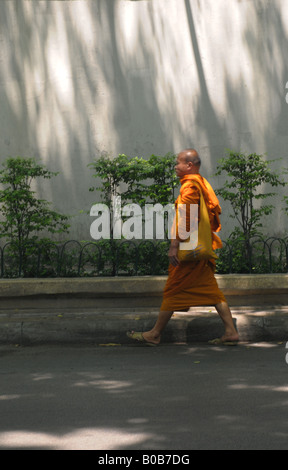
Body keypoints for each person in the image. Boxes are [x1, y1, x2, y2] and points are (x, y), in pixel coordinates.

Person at [127, 149, 239, 346]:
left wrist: (174, 245)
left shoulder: (190, 187)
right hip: (199, 249)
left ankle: (154, 333)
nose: (175, 167)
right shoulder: (201, 183)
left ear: (189, 165)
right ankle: (230, 331)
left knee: (173, 289)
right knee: (213, 292)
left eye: (178, 163)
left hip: (189, 250)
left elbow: (186, 218)